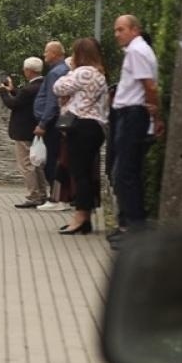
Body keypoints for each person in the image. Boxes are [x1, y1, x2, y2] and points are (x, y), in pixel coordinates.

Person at [110, 14, 160, 245]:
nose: (117, 34)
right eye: (116, 30)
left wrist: (154, 113)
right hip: (132, 113)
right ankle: (129, 225)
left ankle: (134, 228)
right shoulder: (138, 50)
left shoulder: (136, 51)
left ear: (135, 30)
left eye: (121, 29)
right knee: (127, 172)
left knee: (125, 173)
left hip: (132, 113)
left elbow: (149, 86)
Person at [52, 38, 110, 236]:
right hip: (95, 127)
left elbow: (58, 87)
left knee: (79, 173)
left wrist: (71, 69)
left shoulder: (83, 72)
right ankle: (85, 218)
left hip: (81, 126)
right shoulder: (100, 74)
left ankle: (80, 217)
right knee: (86, 172)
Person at [0, 57, 49, 209]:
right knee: (37, 164)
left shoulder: (29, 89)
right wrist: (13, 90)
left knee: (27, 164)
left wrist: (3, 92)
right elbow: (23, 99)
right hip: (36, 129)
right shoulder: (43, 85)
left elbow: (14, 103)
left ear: (29, 71)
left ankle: (34, 195)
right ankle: (42, 194)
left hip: (24, 131)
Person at [33, 40, 70, 213]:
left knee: (52, 162)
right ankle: (61, 196)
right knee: (56, 160)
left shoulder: (56, 72)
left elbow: (52, 101)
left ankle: (57, 198)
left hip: (52, 123)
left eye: (46, 52)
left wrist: (43, 123)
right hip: (56, 121)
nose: (44, 55)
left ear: (55, 53)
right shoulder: (62, 70)